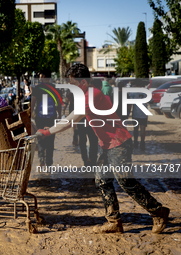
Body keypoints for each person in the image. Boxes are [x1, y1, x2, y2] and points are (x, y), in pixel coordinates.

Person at [36, 63, 170, 234]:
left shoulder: (91, 95)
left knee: (126, 181)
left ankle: (159, 212)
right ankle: (114, 221)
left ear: (82, 82)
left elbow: (70, 120)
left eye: (72, 83)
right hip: (105, 144)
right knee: (101, 180)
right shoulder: (87, 94)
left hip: (119, 142)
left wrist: (46, 132)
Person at [32, 81, 61, 167]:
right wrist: (59, 114)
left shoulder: (37, 88)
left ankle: (41, 160)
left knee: (40, 138)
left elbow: (33, 102)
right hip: (51, 118)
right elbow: (58, 102)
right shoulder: (55, 88)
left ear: (43, 77)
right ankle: (49, 162)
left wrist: (31, 114)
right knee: (50, 139)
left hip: (40, 118)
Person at [129, 80, 148, 150]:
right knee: (143, 129)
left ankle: (136, 143)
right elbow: (151, 101)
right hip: (144, 114)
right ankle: (142, 143)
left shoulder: (132, 92)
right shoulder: (146, 91)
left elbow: (130, 103)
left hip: (135, 114)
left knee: (135, 129)